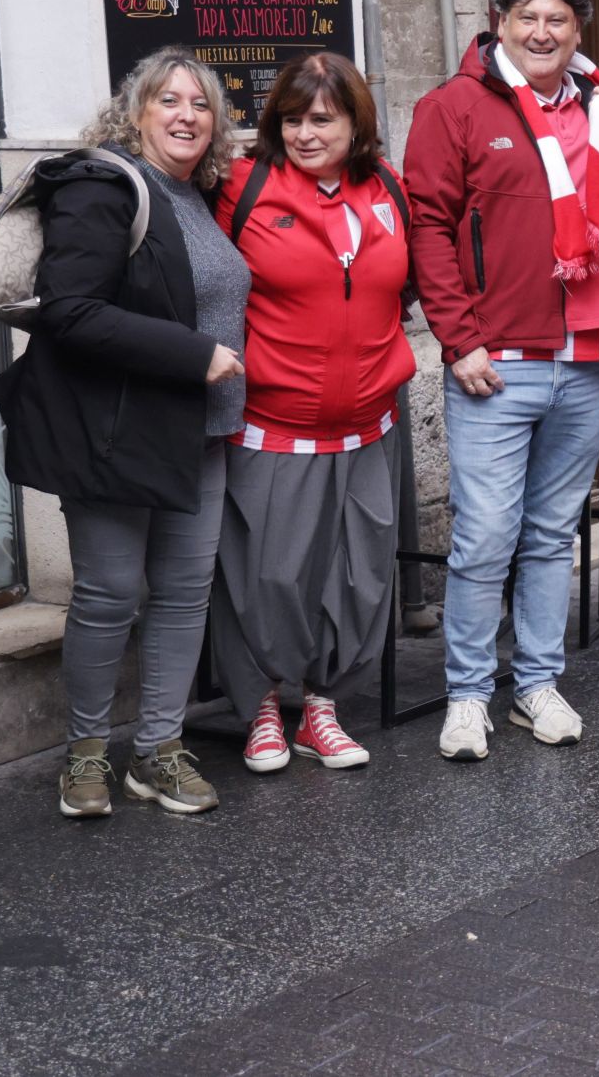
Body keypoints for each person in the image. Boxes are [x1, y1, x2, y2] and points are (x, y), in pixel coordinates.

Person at [0, 48, 249, 817]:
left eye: (200, 104)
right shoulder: (101, 185)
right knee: (107, 595)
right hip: (115, 428)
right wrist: (195, 353)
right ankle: (85, 755)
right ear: (134, 112)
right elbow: (69, 308)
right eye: (167, 100)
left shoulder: (198, 192)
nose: (185, 115)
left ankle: (159, 752)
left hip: (198, 432)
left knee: (180, 595)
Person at [406, 0, 599, 761]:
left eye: (559, 20)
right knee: (485, 534)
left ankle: (535, 681)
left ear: (579, 31)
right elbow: (427, 226)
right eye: (528, 17)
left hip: (590, 350)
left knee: (549, 532)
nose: (543, 33)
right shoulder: (454, 107)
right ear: (499, 21)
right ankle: (468, 694)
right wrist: (458, 338)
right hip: (497, 359)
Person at [208, 53, 417, 774]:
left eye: (321, 119)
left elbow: (404, 287)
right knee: (268, 577)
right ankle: (263, 707)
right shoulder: (244, 187)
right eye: (291, 119)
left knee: (357, 576)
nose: (303, 133)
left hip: (368, 424)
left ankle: (321, 710)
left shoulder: (390, 187)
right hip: (274, 423)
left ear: (356, 122)